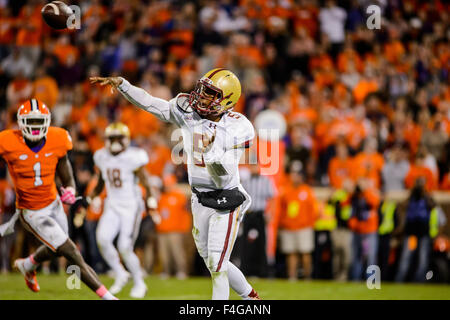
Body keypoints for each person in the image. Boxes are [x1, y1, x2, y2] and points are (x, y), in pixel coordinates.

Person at [90, 68, 260, 300]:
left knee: (218, 265)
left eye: (210, 93)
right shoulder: (188, 111)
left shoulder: (238, 127)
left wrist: (210, 151)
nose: (200, 96)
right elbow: (151, 104)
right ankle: (250, 298)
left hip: (225, 197)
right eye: (202, 89)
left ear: (226, 100)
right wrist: (123, 85)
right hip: (199, 197)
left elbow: (221, 175)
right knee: (212, 260)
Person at [0, 99, 117, 300]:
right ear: (20, 122)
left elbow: (66, 171)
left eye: (39, 121)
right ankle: (108, 297)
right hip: (32, 211)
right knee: (71, 251)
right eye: (31, 122)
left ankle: (28, 264)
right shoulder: (7, 140)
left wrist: (70, 188)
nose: (35, 127)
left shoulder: (58, 138)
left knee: (58, 249)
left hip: (54, 204)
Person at [78, 122, 156, 298]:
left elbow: (145, 180)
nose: (115, 142)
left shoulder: (133, 157)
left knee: (124, 247)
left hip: (131, 206)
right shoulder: (101, 157)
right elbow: (101, 182)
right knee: (103, 239)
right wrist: (89, 198)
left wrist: (150, 200)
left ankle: (139, 282)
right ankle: (120, 273)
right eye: (112, 138)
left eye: (118, 138)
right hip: (112, 204)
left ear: (126, 140)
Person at [395, 178, 441, 283]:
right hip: (411, 232)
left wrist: (425, 195)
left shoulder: (427, 197)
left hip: (423, 232)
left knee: (423, 258)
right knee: (406, 256)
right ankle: (399, 280)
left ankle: (420, 281)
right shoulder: (411, 197)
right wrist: (412, 194)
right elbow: (401, 206)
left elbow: (433, 206)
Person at [279, 161, 317, 280]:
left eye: (297, 174)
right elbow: (281, 209)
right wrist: (282, 223)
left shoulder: (306, 190)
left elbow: (313, 210)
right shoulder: (286, 190)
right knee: (291, 253)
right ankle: (292, 276)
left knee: (305, 252)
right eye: (293, 173)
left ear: (301, 176)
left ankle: (307, 276)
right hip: (289, 227)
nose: (294, 176)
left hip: (304, 227)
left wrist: (310, 224)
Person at [240, 161, 275, 278]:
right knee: (246, 244)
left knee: (261, 243)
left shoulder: (266, 181)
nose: (254, 168)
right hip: (248, 215)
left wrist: (270, 213)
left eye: (256, 166)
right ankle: (245, 270)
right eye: (252, 166)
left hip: (260, 215)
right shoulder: (245, 182)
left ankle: (262, 271)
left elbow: (272, 197)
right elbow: (241, 200)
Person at [348, 179, 380, 281]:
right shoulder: (354, 196)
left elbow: (375, 202)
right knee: (357, 256)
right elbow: (346, 204)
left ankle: (372, 280)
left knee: (371, 256)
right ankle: (355, 279)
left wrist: (365, 190)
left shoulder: (369, 193)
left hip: (370, 230)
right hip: (358, 231)